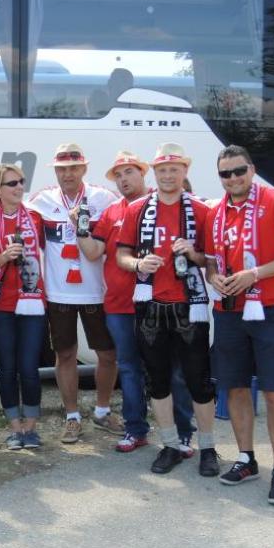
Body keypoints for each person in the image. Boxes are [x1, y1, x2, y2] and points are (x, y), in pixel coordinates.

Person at [204, 145, 274, 505]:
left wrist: (254, 274)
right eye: (225, 173)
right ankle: (246, 458)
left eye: (239, 171)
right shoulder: (215, 212)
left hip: (272, 308)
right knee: (234, 388)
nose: (233, 178)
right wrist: (214, 277)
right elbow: (212, 262)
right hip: (229, 309)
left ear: (251, 168)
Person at [77, 151, 195, 454]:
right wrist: (80, 227)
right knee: (129, 367)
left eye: (128, 172)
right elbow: (93, 252)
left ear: (143, 173)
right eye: (118, 175)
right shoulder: (113, 212)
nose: (123, 179)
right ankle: (135, 429)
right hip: (119, 305)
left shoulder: (167, 203)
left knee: (173, 369)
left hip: (162, 302)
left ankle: (183, 432)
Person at [116, 143, 220, 477]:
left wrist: (195, 254)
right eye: (162, 169)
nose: (168, 175)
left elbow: (213, 260)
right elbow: (121, 255)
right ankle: (171, 444)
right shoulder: (136, 209)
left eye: (174, 169)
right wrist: (138, 263)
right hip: (150, 305)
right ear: (155, 173)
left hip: (190, 306)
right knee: (157, 381)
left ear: (184, 171)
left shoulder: (203, 211)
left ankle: (207, 448)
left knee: (199, 382)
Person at [29, 142, 123, 444]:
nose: (67, 174)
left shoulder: (105, 198)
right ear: (55, 171)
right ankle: (71, 416)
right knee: (65, 354)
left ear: (84, 168)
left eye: (73, 168)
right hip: (59, 293)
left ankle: (102, 410)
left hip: (97, 291)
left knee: (107, 355)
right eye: (62, 169)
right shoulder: (41, 200)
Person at [0, 164, 48, 449]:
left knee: (30, 367)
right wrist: (4, 256)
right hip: (2, 305)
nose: (18, 187)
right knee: (7, 368)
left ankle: (31, 427)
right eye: (11, 183)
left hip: (33, 303)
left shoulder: (35, 218)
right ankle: (14, 428)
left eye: (21, 182)